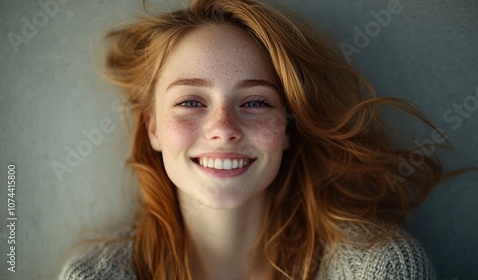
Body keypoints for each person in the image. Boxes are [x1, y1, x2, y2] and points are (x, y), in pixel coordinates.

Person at [59, 0, 445, 279]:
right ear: (153, 128)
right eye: (191, 101)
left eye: (256, 101)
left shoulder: (381, 270)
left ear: (289, 127)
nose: (224, 127)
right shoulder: (94, 275)